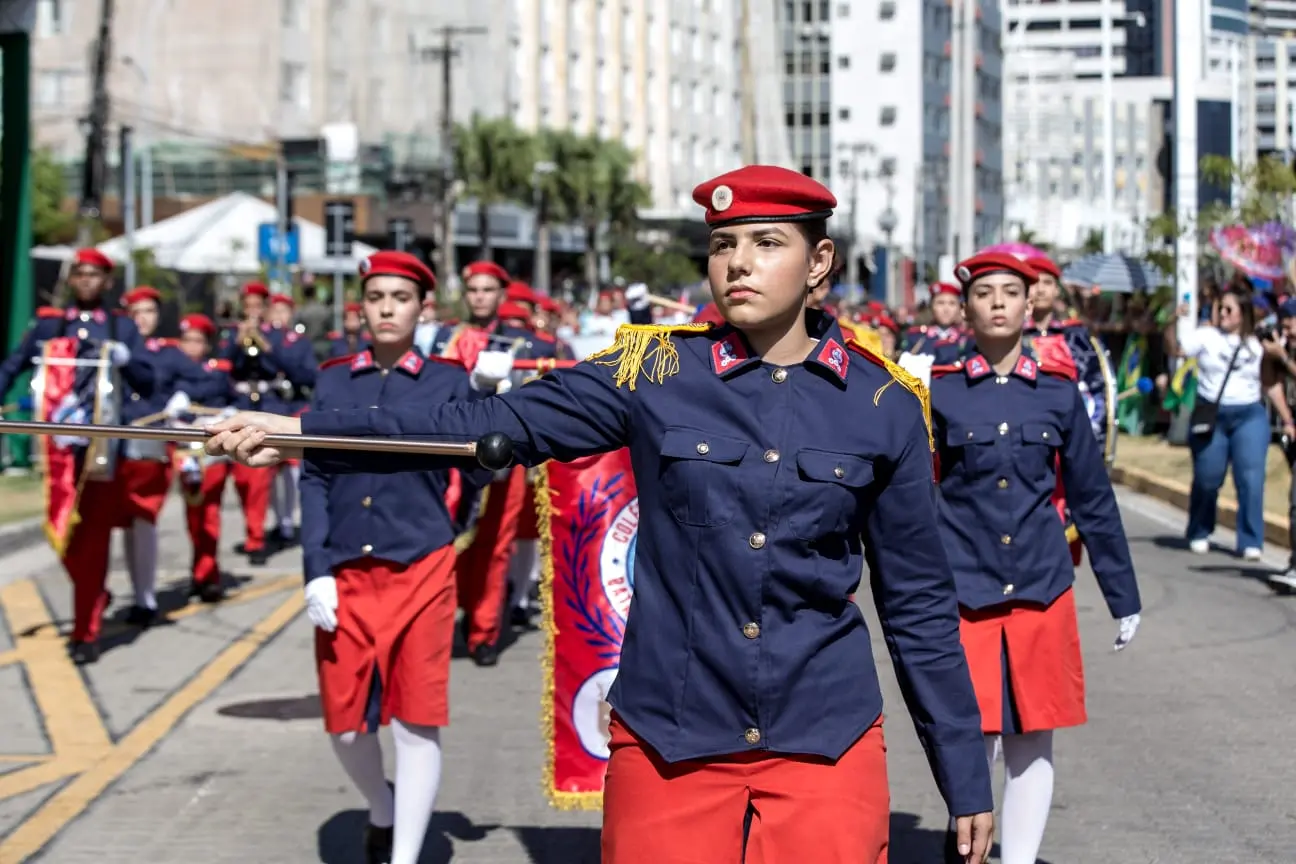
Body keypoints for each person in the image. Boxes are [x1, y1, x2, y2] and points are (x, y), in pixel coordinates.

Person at [205, 165, 996, 864]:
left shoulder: (884, 403)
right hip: (672, 733)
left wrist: (964, 777)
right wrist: (307, 433)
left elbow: (919, 605)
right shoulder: (651, 370)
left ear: (819, 260)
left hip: (823, 739)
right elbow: (488, 428)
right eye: (723, 245)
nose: (739, 264)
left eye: (765, 242)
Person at [926, 252, 1141, 864]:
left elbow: (1093, 499)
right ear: (965, 307)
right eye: (985, 292)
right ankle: (966, 848)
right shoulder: (937, 392)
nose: (997, 302)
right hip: (964, 590)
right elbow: (914, 496)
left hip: (1042, 587)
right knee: (974, 739)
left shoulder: (1058, 395)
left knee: (1032, 741)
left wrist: (1123, 596)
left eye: (1010, 292)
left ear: (1030, 304)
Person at [297, 251, 484, 864]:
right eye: (375, 297)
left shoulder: (448, 380)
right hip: (347, 569)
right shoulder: (332, 380)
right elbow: (315, 476)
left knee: (415, 719)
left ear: (422, 308)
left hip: (422, 564)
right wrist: (316, 570)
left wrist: (449, 525)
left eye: (399, 298)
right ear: (361, 306)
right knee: (346, 725)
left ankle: (404, 854)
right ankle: (381, 806)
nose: (385, 308)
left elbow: (476, 468)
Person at [0, 248, 155, 663]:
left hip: (103, 447)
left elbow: (148, 377)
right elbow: (14, 365)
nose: (87, 281)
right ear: (72, 280)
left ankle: (86, 632)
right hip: (58, 448)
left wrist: (127, 359)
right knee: (60, 531)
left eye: (95, 275)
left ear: (107, 282)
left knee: (94, 539)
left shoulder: (121, 327)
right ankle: (96, 593)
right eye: (81, 274)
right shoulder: (51, 323)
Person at [119, 286, 212, 625]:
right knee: (119, 524)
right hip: (110, 444)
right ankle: (124, 591)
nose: (143, 318)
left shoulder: (168, 354)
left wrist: (183, 396)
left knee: (142, 517)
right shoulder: (115, 345)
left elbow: (207, 382)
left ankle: (144, 598)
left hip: (148, 444)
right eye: (137, 312)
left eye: (149, 311)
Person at [216, 282, 317, 565]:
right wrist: (237, 345)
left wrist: (265, 344)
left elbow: (289, 370)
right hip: (243, 403)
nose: (252, 310)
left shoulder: (277, 335)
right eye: (247, 305)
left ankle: (268, 532)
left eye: (257, 305)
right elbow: (224, 367)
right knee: (249, 479)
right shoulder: (232, 334)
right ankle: (257, 532)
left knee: (275, 474)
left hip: (272, 404)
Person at [1167, 290, 1269, 558]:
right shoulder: (1206, 336)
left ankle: (1250, 540)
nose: (1222, 314)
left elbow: (1273, 379)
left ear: (1243, 313)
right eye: (1220, 308)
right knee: (1207, 478)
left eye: (1228, 309)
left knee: (1251, 478)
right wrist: (1171, 322)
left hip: (1249, 413)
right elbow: (1175, 349)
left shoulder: (1258, 341)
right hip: (1213, 414)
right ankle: (1200, 529)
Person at [1024, 255, 1118, 465]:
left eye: (1047, 283)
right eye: (1033, 283)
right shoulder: (1009, 337)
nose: (1040, 290)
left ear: (1057, 290)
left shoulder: (1077, 337)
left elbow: (1094, 390)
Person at [171, 314, 237, 600]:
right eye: (186, 340)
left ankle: (208, 574)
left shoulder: (217, 370)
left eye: (197, 340)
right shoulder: (171, 370)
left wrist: (229, 413)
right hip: (184, 449)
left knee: (209, 511)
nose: (191, 346)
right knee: (193, 514)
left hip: (211, 451)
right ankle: (199, 569)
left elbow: (231, 397)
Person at [904, 282, 968, 364]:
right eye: (940, 303)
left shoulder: (966, 340)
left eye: (952, 303)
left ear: (959, 308)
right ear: (931, 307)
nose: (946, 309)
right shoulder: (917, 339)